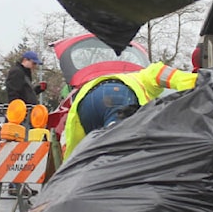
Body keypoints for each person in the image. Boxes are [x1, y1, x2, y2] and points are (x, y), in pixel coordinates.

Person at [62, 62, 197, 160]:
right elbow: (160, 71)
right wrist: (196, 81)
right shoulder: (144, 76)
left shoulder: (131, 78)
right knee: (121, 155)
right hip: (117, 95)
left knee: (97, 156)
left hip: (85, 101)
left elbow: (75, 145)